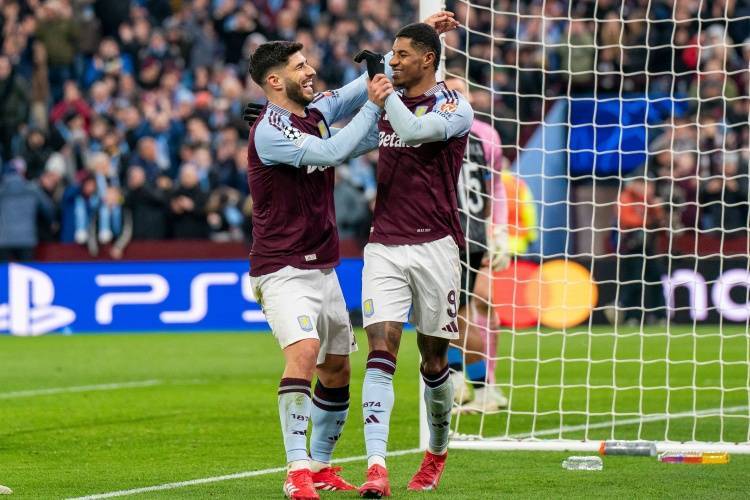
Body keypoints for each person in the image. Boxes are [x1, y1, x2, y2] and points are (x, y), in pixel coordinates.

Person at [245, 40, 392, 500]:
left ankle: (322, 465)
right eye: (299, 67)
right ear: (275, 81)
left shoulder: (314, 111)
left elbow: (353, 91)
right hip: (281, 266)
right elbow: (332, 152)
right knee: (305, 351)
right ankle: (296, 471)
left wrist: (395, 56)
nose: (310, 71)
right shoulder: (270, 131)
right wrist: (375, 106)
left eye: (307, 63)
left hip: (323, 264)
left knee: (336, 369)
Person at [358, 23, 473, 496]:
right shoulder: (388, 102)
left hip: (436, 246)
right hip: (384, 244)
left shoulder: (454, 106)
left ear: (428, 58)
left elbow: (414, 130)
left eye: (402, 54)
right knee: (381, 350)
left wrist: (384, 96)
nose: (393, 61)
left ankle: (437, 452)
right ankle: (376, 466)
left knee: (433, 360)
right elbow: (340, 137)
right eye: (391, 54)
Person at [442, 77, 511, 414]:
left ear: (470, 95)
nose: (456, 97)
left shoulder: (485, 135)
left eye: (461, 91)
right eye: (449, 91)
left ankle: (482, 384)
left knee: (468, 310)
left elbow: (496, 186)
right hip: (450, 235)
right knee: (453, 314)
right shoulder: (436, 129)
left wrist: (499, 230)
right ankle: (463, 380)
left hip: (470, 236)